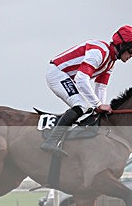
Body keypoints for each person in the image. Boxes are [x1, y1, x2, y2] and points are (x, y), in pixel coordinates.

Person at [41, 25, 132, 155]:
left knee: (90, 109)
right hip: (58, 73)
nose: (131, 56)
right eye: (131, 51)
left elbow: (101, 86)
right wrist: (98, 105)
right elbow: (81, 78)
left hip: (69, 77)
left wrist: (100, 109)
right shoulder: (99, 52)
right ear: (123, 46)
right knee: (82, 105)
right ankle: (51, 141)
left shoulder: (111, 62)